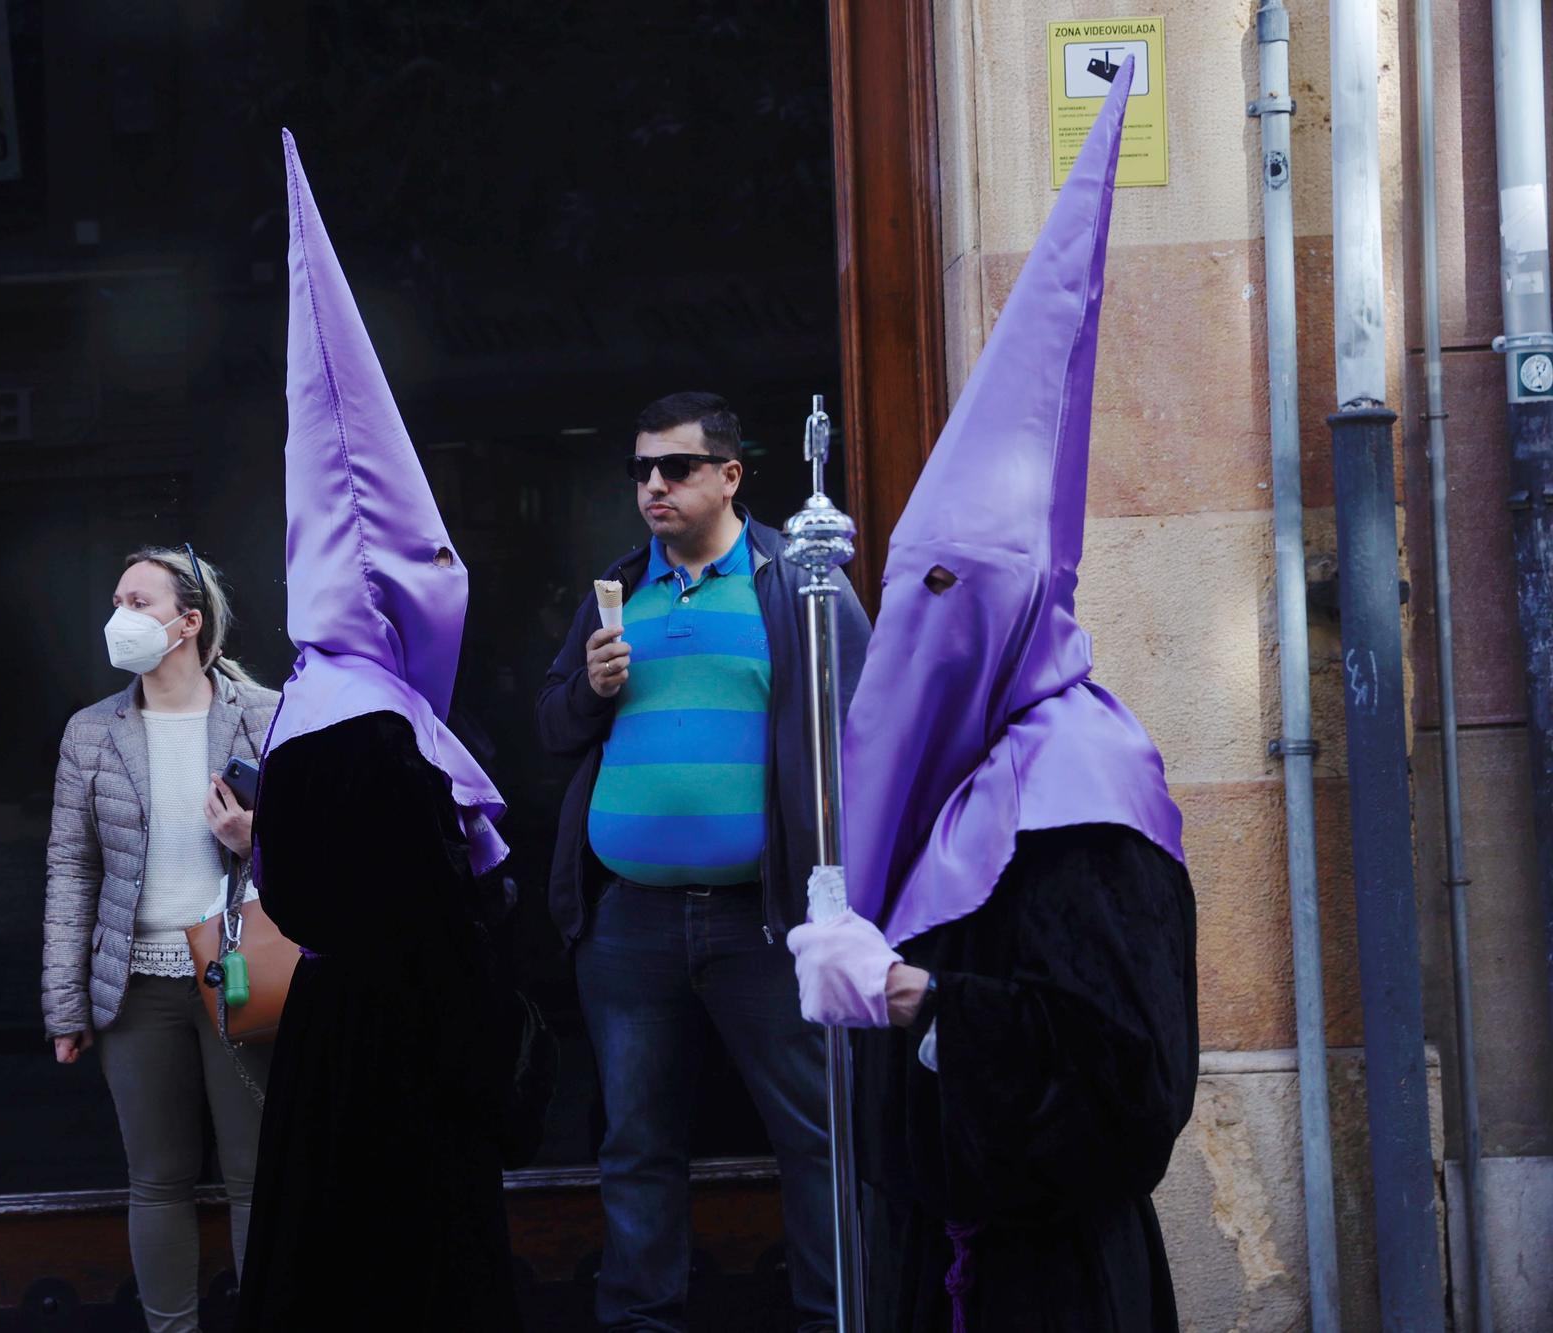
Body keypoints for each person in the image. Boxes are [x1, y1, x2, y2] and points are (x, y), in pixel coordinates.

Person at [785, 63, 1198, 1332]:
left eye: (940, 594)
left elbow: (1126, 1073)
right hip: (944, 1244)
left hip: (1044, 1281)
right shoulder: (977, 766)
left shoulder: (1078, 782)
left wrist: (917, 995)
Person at [234, 131, 522, 1332]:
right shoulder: (375, 735)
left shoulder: (313, 707)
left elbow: (296, 894)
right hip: (401, 1072)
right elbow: (435, 930)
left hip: (333, 1059)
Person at [538, 391, 870, 1331]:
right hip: (630, 921)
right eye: (642, 469)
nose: (653, 485)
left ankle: (835, 1316)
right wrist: (592, 690)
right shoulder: (617, 588)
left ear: (730, 474)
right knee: (635, 1143)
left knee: (816, 1137)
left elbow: (865, 723)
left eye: (675, 467)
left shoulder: (797, 579)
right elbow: (551, 730)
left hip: (766, 919)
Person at [41, 544, 279, 1333]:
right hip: (136, 987)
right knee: (157, 1180)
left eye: (138, 602)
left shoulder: (265, 714)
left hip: (240, 976)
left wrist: (257, 838)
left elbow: (325, 843)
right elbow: (71, 871)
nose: (121, 617)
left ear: (189, 622)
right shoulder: (92, 732)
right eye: (117, 599)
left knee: (257, 1178)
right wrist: (65, 1005)